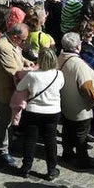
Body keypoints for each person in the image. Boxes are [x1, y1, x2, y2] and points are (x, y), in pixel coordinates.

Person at [14, 44, 63, 180]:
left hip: (33, 111)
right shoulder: (59, 75)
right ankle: (51, 169)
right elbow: (60, 87)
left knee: (30, 139)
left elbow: (19, 87)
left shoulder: (32, 75)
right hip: (53, 111)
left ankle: (26, 167)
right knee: (50, 140)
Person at [56, 31, 94, 168]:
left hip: (65, 104)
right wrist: (93, 101)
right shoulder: (79, 65)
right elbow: (87, 88)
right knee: (81, 135)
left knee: (67, 130)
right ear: (78, 46)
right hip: (80, 108)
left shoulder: (59, 58)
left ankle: (67, 154)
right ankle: (83, 160)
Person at [0, 22, 30, 167]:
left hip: (13, 90)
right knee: (5, 122)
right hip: (6, 91)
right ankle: (2, 151)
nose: (23, 43)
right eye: (22, 40)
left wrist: (27, 62)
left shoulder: (11, 43)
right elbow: (14, 72)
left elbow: (18, 56)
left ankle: (8, 143)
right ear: (14, 37)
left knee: (10, 121)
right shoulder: (3, 47)